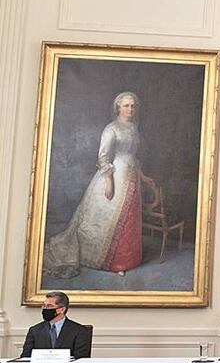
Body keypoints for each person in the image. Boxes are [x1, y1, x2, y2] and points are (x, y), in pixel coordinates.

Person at [43, 91, 144, 279]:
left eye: (132, 105)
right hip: (116, 176)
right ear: (118, 108)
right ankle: (114, 263)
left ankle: (128, 260)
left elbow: (133, 154)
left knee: (129, 219)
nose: (130, 109)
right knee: (109, 219)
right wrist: (108, 182)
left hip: (132, 177)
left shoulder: (134, 127)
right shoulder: (111, 128)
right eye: (126, 105)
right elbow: (103, 157)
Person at [20, 291, 93, 358]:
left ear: (62, 309)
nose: (45, 309)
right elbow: (25, 357)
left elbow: (81, 359)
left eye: (49, 306)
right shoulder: (35, 330)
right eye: (44, 306)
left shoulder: (79, 331)